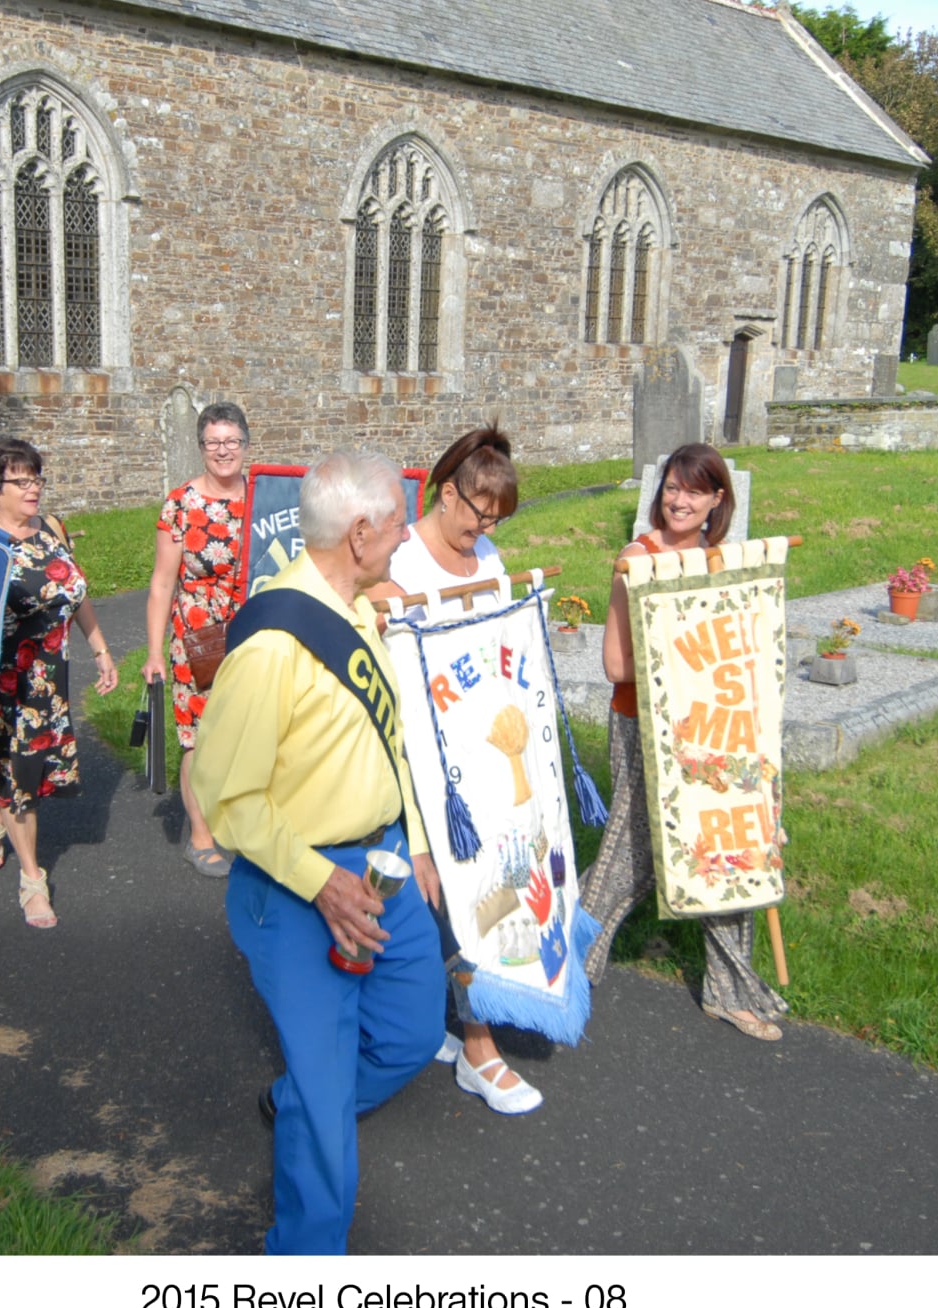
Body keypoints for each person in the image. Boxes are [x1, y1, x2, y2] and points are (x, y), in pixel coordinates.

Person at [191, 450, 445, 1256]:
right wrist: (319, 880)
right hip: (299, 888)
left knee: (409, 1035)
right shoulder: (272, 646)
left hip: (387, 865)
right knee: (330, 1105)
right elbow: (226, 798)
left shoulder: (362, 609)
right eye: (400, 524)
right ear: (361, 533)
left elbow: (390, 741)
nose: (408, 540)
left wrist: (418, 839)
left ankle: (304, 1096)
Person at [366, 424, 545, 1115]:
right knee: (448, 889)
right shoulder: (401, 557)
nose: (485, 527)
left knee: (487, 885)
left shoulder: (489, 554)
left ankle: (442, 1017)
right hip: (419, 753)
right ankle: (478, 1045)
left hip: (483, 750)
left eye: (496, 517)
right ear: (447, 494)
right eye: (477, 512)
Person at [585, 442, 789, 1040]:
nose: (679, 500)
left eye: (694, 491)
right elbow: (615, 664)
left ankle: (731, 990)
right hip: (644, 726)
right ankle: (562, 961)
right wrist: (674, 656)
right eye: (672, 487)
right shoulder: (637, 559)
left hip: (716, 731)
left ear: (717, 500)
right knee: (630, 856)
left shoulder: (724, 565)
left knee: (728, 848)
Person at [0, 439, 120, 927]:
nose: (33, 488)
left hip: (51, 676)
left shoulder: (51, 528)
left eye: (36, 478)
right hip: (8, 684)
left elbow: (76, 591)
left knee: (34, 775)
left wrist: (100, 648)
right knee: (21, 783)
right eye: (21, 480)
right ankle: (33, 881)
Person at [141, 401, 250, 876]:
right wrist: (152, 652)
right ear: (201, 447)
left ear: (245, 445)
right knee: (199, 740)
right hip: (199, 636)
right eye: (213, 442)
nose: (223, 451)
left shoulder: (263, 495)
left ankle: (244, 823)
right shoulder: (181, 503)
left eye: (231, 441)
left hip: (254, 631)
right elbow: (163, 583)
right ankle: (201, 836)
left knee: (252, 731)